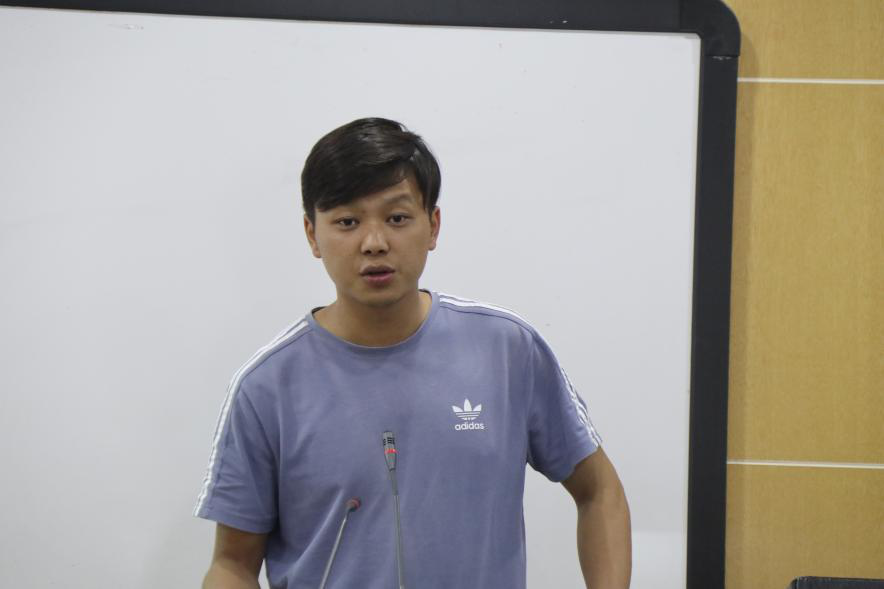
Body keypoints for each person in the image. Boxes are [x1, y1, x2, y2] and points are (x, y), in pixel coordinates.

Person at [194, 117, 631, 589]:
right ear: (311, 234)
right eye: (347, 222)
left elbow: (599, 491)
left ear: (433, 225)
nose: (374, 243)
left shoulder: (507, 350)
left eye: (397, 218)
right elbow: (233, 564)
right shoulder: (267, 387)